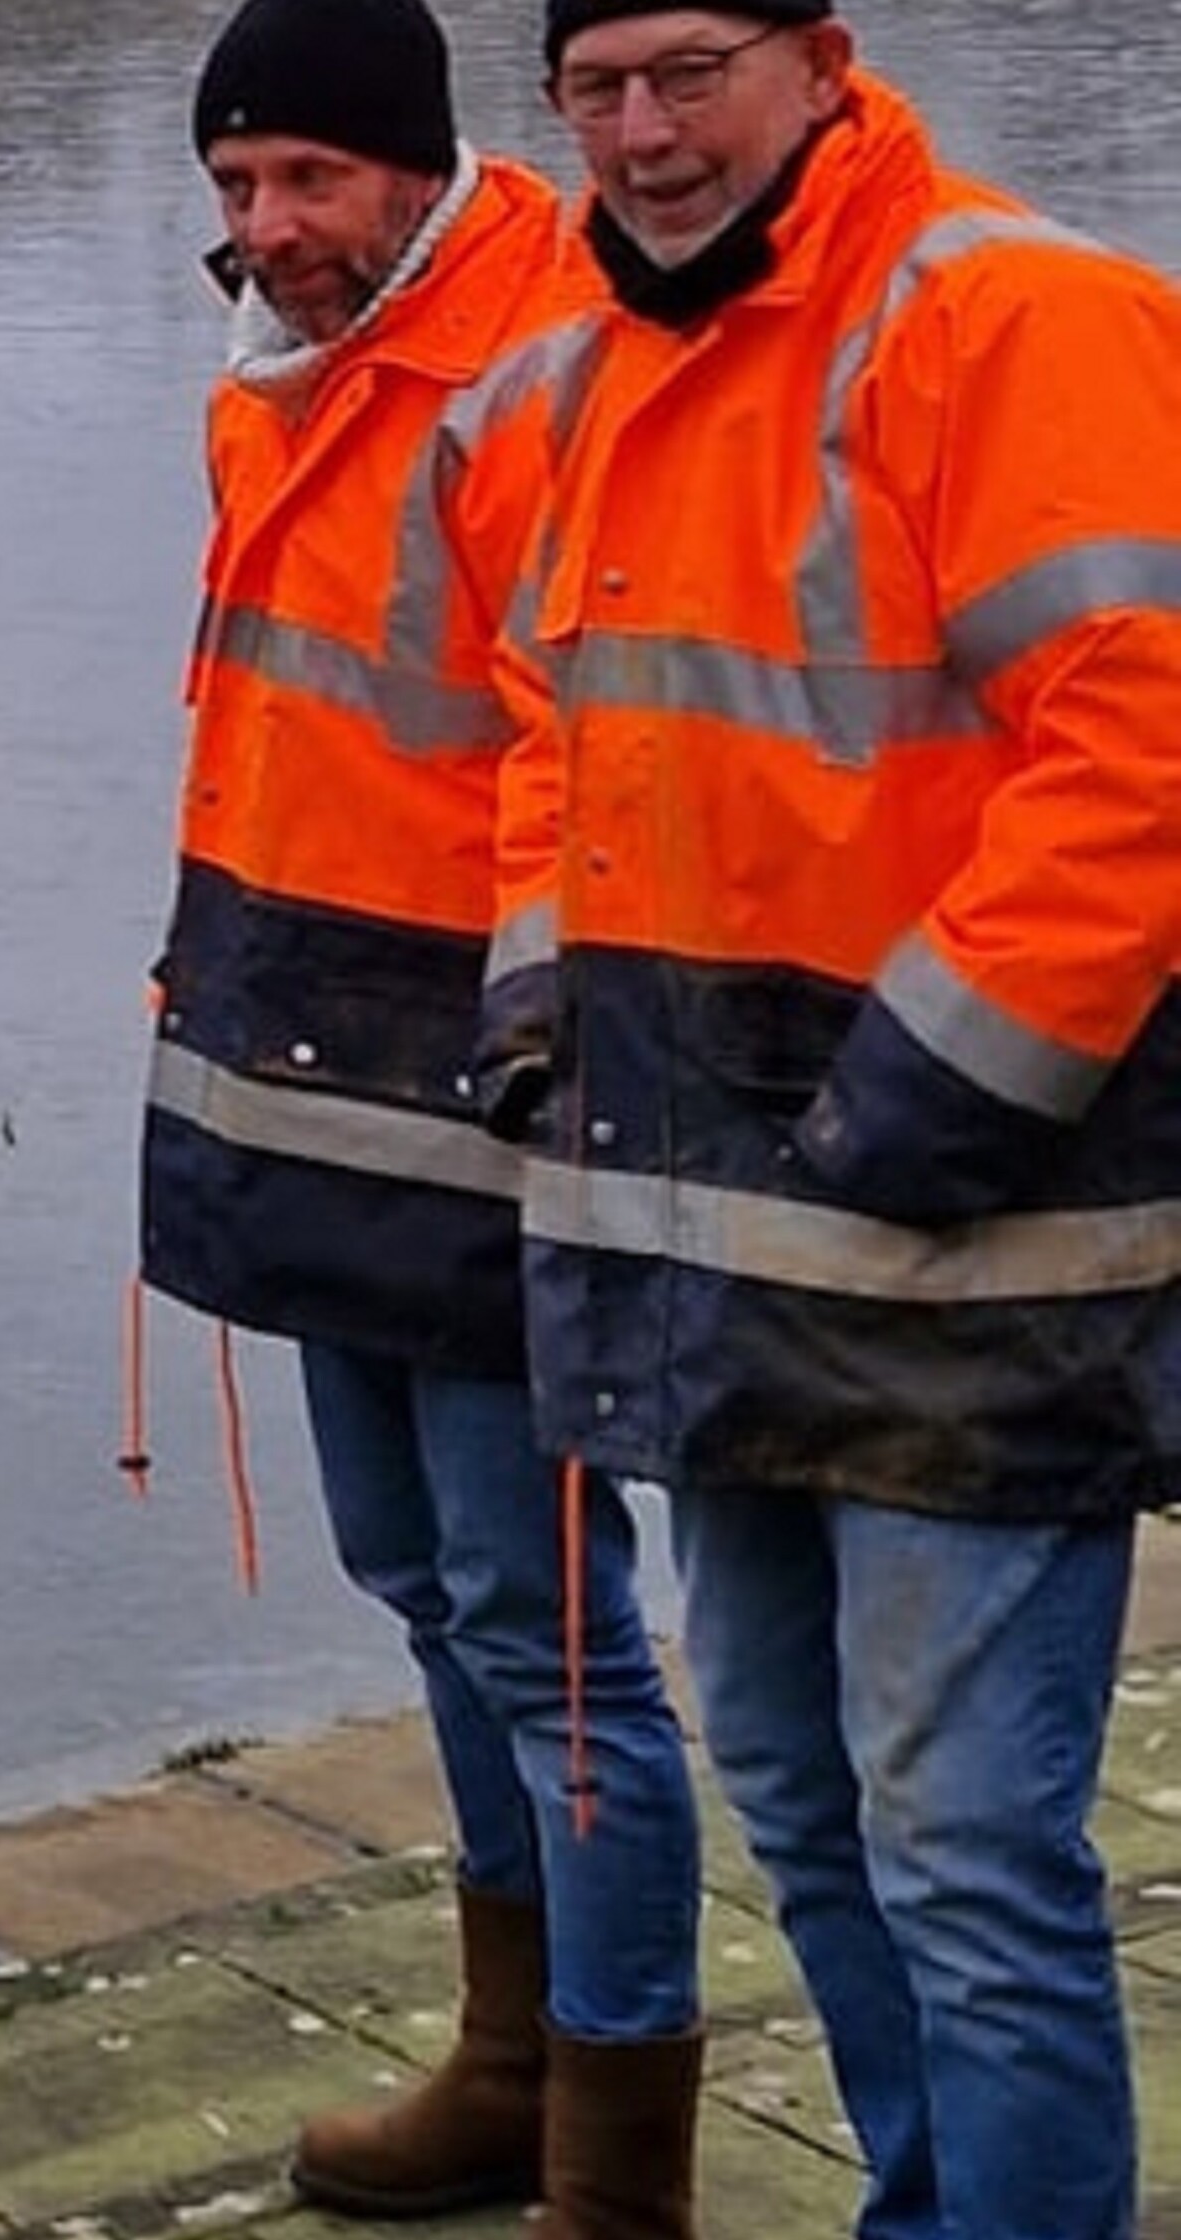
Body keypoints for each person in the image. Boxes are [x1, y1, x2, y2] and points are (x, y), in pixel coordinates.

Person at [481, 5, 1181, 2234]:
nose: (638, 132)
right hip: (703, 1235)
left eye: (685, 71)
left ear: (818, 58)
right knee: (794, 1797)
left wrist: (903, 1114)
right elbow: (549, 728)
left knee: (964, 1849)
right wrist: (527, 1007)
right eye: (590, 88)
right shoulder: (588, 364)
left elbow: (1138, 758)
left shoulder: (1004, 314)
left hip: (968, 1247)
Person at [145, 3, 710, 2231]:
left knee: (541, 1621)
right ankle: (501, 2057)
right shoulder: (282, 385)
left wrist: (556, 1069)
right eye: (229, 189)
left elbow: (591, 741)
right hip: (304, 1067)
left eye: (301, 180)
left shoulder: (545, 361)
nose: (264, 230)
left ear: (412, 167)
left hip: (497, 1090)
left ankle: (615, 2147)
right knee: (415, 1583)